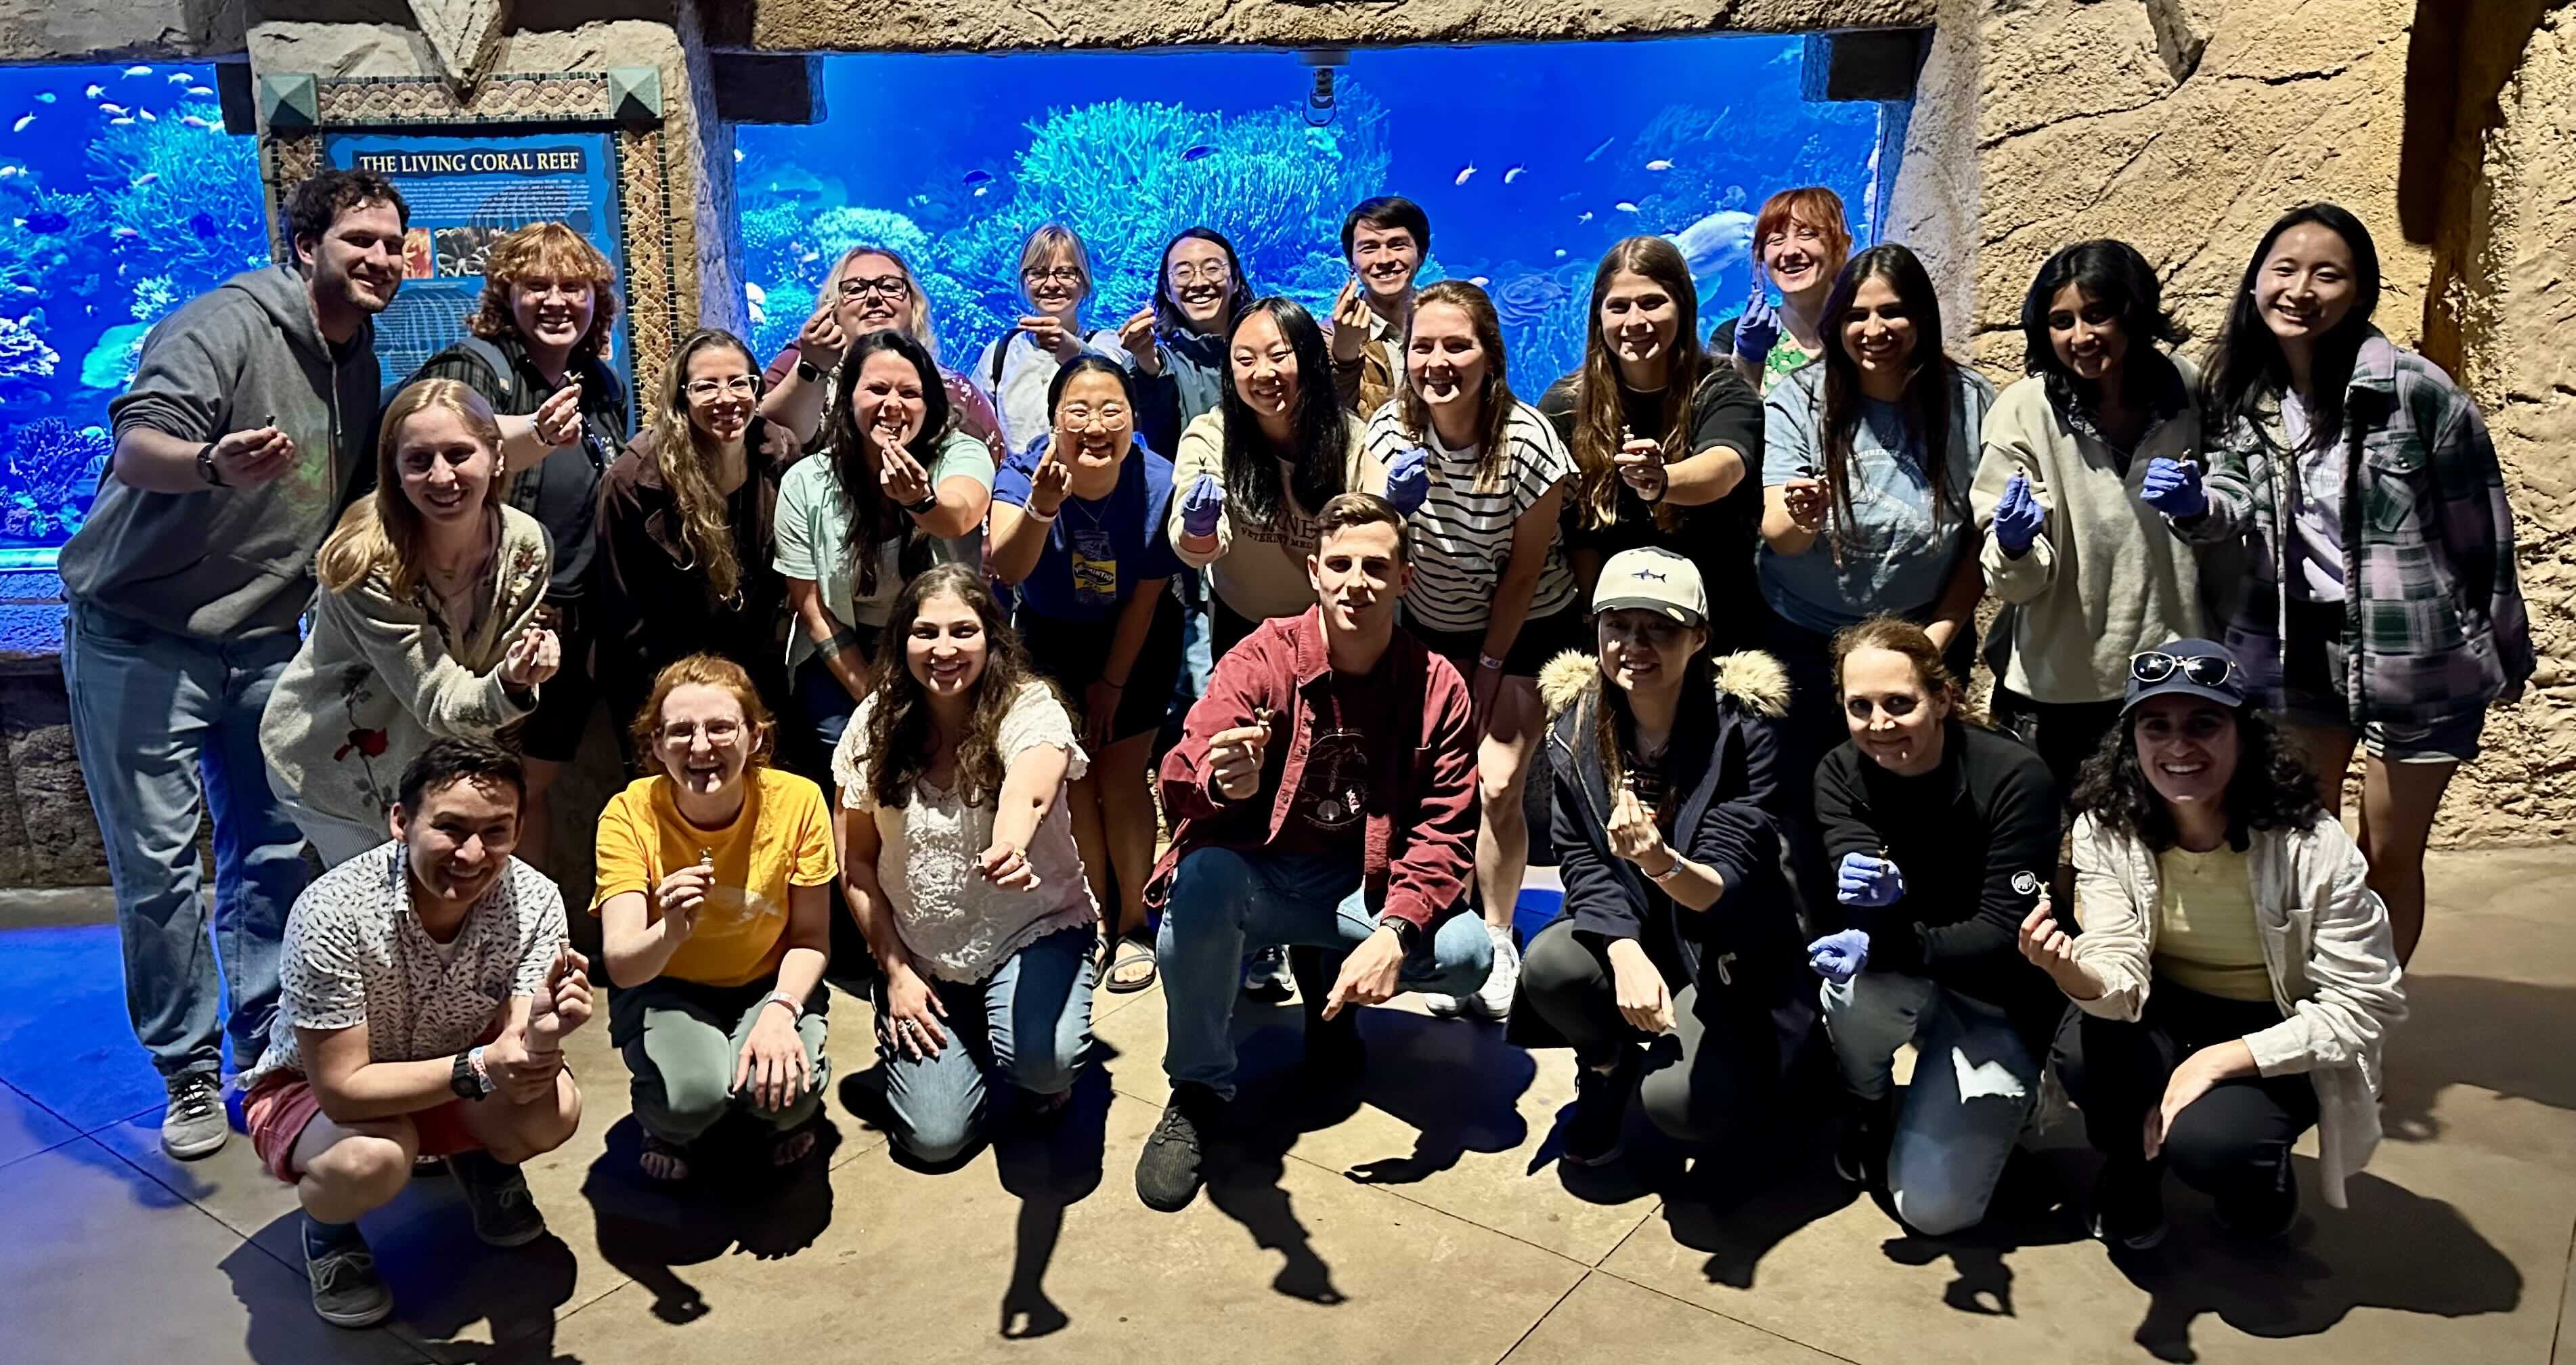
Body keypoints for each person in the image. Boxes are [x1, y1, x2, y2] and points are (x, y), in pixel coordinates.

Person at [60, 167, 412, 1161]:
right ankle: (184, 1070)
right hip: (140, 633)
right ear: (307, 247)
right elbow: (137, 449)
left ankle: (262, 1042)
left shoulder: (359, 351)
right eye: (360, 243)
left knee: (268, 849)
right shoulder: (222, 325)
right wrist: (211, 464)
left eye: (391, 244)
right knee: (160, 866)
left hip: (259, 639)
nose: (380, 260)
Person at [2142, 204, 2532, 965]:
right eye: (2284, 269)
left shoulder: (2415, 393)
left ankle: (2366, 1025)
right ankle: (2308, 1007)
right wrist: (2193, 505)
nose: (2301, 289)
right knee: (2298, 841)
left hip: (2414, 652)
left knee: (2387, 850)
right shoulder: (2243, 395)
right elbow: (2233, 497)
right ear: (2255, 281)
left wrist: (2501, 656)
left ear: (2360, 291)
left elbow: (2481, 535)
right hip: (2294, 644)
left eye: (2329, 273)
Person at [1135, 493, 1493, 1213]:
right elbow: (1188, 760)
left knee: (1464, 955)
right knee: (1199, 880)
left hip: (1356, 884)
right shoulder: (1263, 656)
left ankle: (1333, 1011)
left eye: (1375, 565)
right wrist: (1218, 777)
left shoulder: (1437, 686)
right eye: (1340, 564)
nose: (1356, 580)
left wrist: (1395, 930)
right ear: (1314, 572)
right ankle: (1198, 1087)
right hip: (1260, 875)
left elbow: (1445, 828)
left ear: (1404, 579)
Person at [2027, 638, 2405, 1247]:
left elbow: (2365, 1007)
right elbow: (2117, 957)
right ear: (2131, 743)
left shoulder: (2311, 846)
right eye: (2156, 727)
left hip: (2271, 1023)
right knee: (2086, 1056)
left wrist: (2217, 1060)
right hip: (2159, 1004)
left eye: (2204, 724)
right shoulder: (2106, 828)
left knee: (2214, 1144)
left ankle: (2256, 1180)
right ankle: (2131, 1167)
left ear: (2243, 736)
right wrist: (2076, 975)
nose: (2178, 746)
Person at [236, 739, 590, 1329]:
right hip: (322, 1093)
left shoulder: (536, 899)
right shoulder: (331, 910)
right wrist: (481, 1068)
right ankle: (330, 1235)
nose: (474, 854)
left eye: (497, 832)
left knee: (552, 1110)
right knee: (367, 1159)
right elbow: (342, 1090)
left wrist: (544, 1039)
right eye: (450, 828)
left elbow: (519, 1050)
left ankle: (482, 1160)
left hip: (456, 1066)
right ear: (401, 821)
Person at [1510, 549, 1811, 1167]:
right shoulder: (1575, 724)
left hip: (1719, 943)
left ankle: (1749, 1078)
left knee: (1682, 1107)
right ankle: (1606, 1066)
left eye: (1660, 629)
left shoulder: (1743, 733)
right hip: (1634, 927)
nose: (1633, 645)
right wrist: (1622, 949)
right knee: (1549, 967)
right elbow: (1579, 857)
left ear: (1698, 638)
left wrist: (1658, 863)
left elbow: (1723, 886)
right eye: (1617, 625)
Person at [1363, 278, 1584, 1022]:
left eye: (1456, 345)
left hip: (1524, 626)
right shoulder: (1387, 435)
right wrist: (1389, 509)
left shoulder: (1527, 442)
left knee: (1495, 784)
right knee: (1428, 776)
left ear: (1490, 355)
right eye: (1422, 345)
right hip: (1428, 623)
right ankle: (1437, 918)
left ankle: (1496, 935)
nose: (1437, 361)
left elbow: (1525, 573)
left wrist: (1488, 666)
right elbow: (1370, 541)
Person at [833, 565, 1099, 1163]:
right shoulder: (871, 726)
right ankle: (963, 1029)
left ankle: (1022, 1046)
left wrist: (1011, 840)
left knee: (1043, 1065)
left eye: (963, 631)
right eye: (926, 633)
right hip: (923, 954)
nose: (944, 649)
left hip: (1032, 927)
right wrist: (897, 970)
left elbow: (1030, 782)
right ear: (901, 641)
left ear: (991, 639)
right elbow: (854, 862)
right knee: (934, 1140)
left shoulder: (1029, 706)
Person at [1809, 617, 2059, 1236]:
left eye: (1899, 703)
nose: (1879, 725)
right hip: (1906, 974)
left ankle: (2004, 1108)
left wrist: (1888, 935)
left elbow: (2004, 933)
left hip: (1997, 993)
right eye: (1858, 706)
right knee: (1856, 989)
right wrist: (1867, 907)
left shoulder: (2014, 778)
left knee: (1931, 1211)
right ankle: (1865, 1103)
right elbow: (1853, 867)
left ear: (1943, 698)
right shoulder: (1838, 773)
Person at [261, 379, 561, 867]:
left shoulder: (526, 547)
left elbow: (482, 703)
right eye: (419, 460)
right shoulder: (368, 561)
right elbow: (440, 701)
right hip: (334, 770)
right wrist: (510, 684)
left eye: (459, 454)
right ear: (395, 472)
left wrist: (521, 674)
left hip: (435, 764)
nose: (442, 477)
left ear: (498, 457)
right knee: (386, 913)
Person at [407, 223, 630, 873]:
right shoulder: (476, 369)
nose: (557, 300)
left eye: (574, 286)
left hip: (578, 621)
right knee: (479, 791)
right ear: (506, 296)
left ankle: (528, 940)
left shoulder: (601, 385)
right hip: (498, 618)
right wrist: (532, 430)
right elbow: (447, 430)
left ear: (597, 300)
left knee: (527, 788)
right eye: (537, 285)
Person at [1970, 238, 2210, 800]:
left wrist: (2200, 507)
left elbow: (2222, 526)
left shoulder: (2187, 389)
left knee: (2162, 844)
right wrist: (2011, 545)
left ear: (2133, 311)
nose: (2080, 337)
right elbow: (2016, 585)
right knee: (2049, 857)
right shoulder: (2023, 410)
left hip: (2169, 670)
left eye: (2096, 315)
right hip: (2058, 686)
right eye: (2061, 321)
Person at [592, 654, 837, 1182]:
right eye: (680, 731)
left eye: (721, 727)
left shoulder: (797, 801)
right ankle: (668, 1123)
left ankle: (780, 1115)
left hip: (768, 981)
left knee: (784, 1096)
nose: (701, 747)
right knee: (691, 1102)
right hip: (668, 985)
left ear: (754, 736)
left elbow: (812, 938)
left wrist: (780, 1010)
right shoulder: (629, 814)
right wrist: (670, 929)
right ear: (656, 746)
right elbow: (623, 967)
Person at [988, 356, 1187, 994]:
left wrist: (1113, 684)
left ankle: (1134, 921)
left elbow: (1149, 594)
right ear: (1053, 421)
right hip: (1050, 638)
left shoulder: (1157, 480)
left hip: (1138, 636)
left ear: (1133, 419)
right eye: (1078, 410)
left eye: (1112, 410)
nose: (1095, 424)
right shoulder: (1024, 470)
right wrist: (1044, 506)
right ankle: (1092, 919)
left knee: (1123, 777)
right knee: (1072, 781)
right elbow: (1008, 567)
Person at [1758, 243, 1995, 762]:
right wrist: (1804, 518)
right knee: (1808, 793)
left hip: (1923, 632)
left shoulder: (1971, 401)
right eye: (1856, 315)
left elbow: (1983, 538)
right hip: (1805, 637)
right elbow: (1781, 536)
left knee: (1923, 783)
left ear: (1921, 318)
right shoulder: (1800, 399)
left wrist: (1936, 637)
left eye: (1892, 312)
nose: (1874, 330)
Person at [772, 328, 993, 770]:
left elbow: (961, 514)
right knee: (849, 752)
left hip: (943, 638)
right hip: (845, 645)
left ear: (928, 404)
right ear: (847, 397)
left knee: (947, 756)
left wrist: (919, 501)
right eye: (876, 389)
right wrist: (873, 698)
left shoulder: (960, 453)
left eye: (909, 393)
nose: (892, 405)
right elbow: (811, 607)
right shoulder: (806, 481)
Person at [1539, 236, 1770, 652]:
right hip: (1613, 635)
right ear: (1598, 315)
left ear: (1682, 306)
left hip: (1718, 631)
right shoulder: (1565, 405)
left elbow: (1724, 467)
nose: (1635, 321)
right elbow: (1573, 531)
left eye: (1652, 303)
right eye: (1618, 306)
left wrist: (1661, 481)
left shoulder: (1722, 388)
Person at [597, 327, 800, 762]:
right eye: (706, 386)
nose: (726, 398)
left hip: (758, 673)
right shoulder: (635, 479)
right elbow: (622, 613)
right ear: (681, 397)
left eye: (739, 382)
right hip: (664, 679)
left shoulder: (779, 455)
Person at [1171, 297, 1384, 654]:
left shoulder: (1352, 439)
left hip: (1326, 623)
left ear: (1310, 358)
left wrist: (1394, 506)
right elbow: (1194, 551)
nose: (1263, 372)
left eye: (1279, 355)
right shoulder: (1212, 435)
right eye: (1245, 360)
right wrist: (1199, 527)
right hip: (1239, 621)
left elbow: (1375, 528)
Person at [759, 242, 1007, 467]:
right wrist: (812, 367)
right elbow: (764, 434)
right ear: (832, 309)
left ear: (914, 306)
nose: (875, 297)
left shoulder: (955, 389)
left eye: (890, 286)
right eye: (855, 289)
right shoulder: (799, 361)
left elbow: (995, 468)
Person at [973, 224, 1129, 458]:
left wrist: (1071, 349)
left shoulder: (1108, 343)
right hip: (1018, 486)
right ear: (1023, 282)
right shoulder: (999, 354)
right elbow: (974, 427)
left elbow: (1117, 378)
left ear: (1085, 283)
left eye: (1066, 273)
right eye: (1038, 273)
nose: (1052, 284)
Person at [1125, 225, 1253, 459]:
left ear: (1235, 281)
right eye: (1183, 272)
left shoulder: (1265, 349)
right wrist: (1145, 359)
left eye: (1213, 269)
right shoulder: (1158, 360)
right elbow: (1149, 409)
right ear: (1167, 289)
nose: (1199, 282)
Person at [1712, 187, 1854, 395]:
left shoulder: (1866, 332)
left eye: (1807, 234)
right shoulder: (1730, 339)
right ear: (1761, 255)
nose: (1790, 252)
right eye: (1776, 240)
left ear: (1841, 245)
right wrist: (1747, 357)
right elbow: (1726, 421)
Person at [1328, 195, 1431, 418]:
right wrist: (1344, 353)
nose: (1384, 259)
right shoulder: (1327, 335)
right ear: (1351, 262)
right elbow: (1331, 420)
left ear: (1421, 254)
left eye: (1397, 245)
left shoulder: (1450, 321)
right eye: (1369, 248)